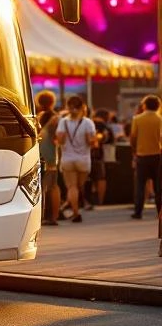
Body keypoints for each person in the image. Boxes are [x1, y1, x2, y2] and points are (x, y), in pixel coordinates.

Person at [55, 95, 97, 223]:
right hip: (83, 160)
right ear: (82, 107)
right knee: (77, 187)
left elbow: (60, 141)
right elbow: (91, 142)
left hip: (67, 159)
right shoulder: (88, 122)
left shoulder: (63, 122)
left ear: (67, 107)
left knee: (72, 187)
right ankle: (71, 208)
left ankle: (75, 212)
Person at [128, 94, 162, 219]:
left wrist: (134, 152)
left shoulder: (137, 119)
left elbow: (133, 138)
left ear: (144, 105)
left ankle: (138, 211)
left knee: (140, 185)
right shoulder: (160, 119)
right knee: (159, 186)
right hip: (158, 156)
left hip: (142, 156)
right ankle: (159, 212)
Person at [35, 90, 61, 225]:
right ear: (53, 102)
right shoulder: (55, 118)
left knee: (42, 187)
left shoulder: (38, 117)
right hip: (51, 155)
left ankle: (44, 215)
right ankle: (54, 216)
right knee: (53, 186)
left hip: (38, 154)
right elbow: (58, 138)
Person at [90, 108, 114, 208]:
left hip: (85, 155)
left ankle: (85, 200)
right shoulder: (105, 126)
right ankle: (100, 201)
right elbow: (111, 140)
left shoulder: (89, 123)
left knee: (86, 179)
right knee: (100, 178)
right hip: (99, 156)